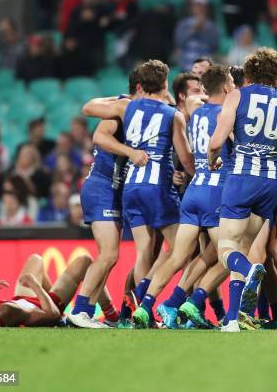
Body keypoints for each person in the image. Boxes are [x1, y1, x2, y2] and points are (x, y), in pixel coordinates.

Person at [82, 59, 195, 328]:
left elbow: (88, 107)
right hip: (158, 187)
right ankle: (145, 302)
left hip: (130, 186)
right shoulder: (173, 115)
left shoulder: (126, 106)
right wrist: (194, 172)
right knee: (181, 247)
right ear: (165, 85)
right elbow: (186, 159)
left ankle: (135, 311)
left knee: (145, 250)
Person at [207, 47, 277, 332]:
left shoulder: (237, 95)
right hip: (271, 184)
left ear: (249, 72)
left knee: (227, 250)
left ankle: (250, 270)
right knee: (243, 247)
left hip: (242, 178)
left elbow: (216, 143)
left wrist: (210, 160)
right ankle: (231, 320)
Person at [131, 64, 236, 329]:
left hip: (193, 190)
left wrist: (207, 92)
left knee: (178, 256)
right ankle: (183, 301)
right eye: (231, 83)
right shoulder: (227, 115)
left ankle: (145, 307)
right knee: (230, 255)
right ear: (225, 87)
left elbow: (192, 98)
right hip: (216, 191)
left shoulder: (195, 110)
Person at [68, 69, 149, 328]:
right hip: (101, 186)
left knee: (109, 256)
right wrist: (130, 151)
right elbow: (99, 136)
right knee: (109, 254)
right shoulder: (121, 109)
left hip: (114, 191)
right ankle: (80, 311)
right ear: (140, 88)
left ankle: (86, 312)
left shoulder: (142, 111)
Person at [0, 253, 117, 327]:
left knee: (36, 259)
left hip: (21, 301)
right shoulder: (6, 311)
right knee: (86, 261)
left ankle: (46, 289)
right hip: (45, 305)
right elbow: (52, 315)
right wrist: (35, 285)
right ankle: (111, 314)